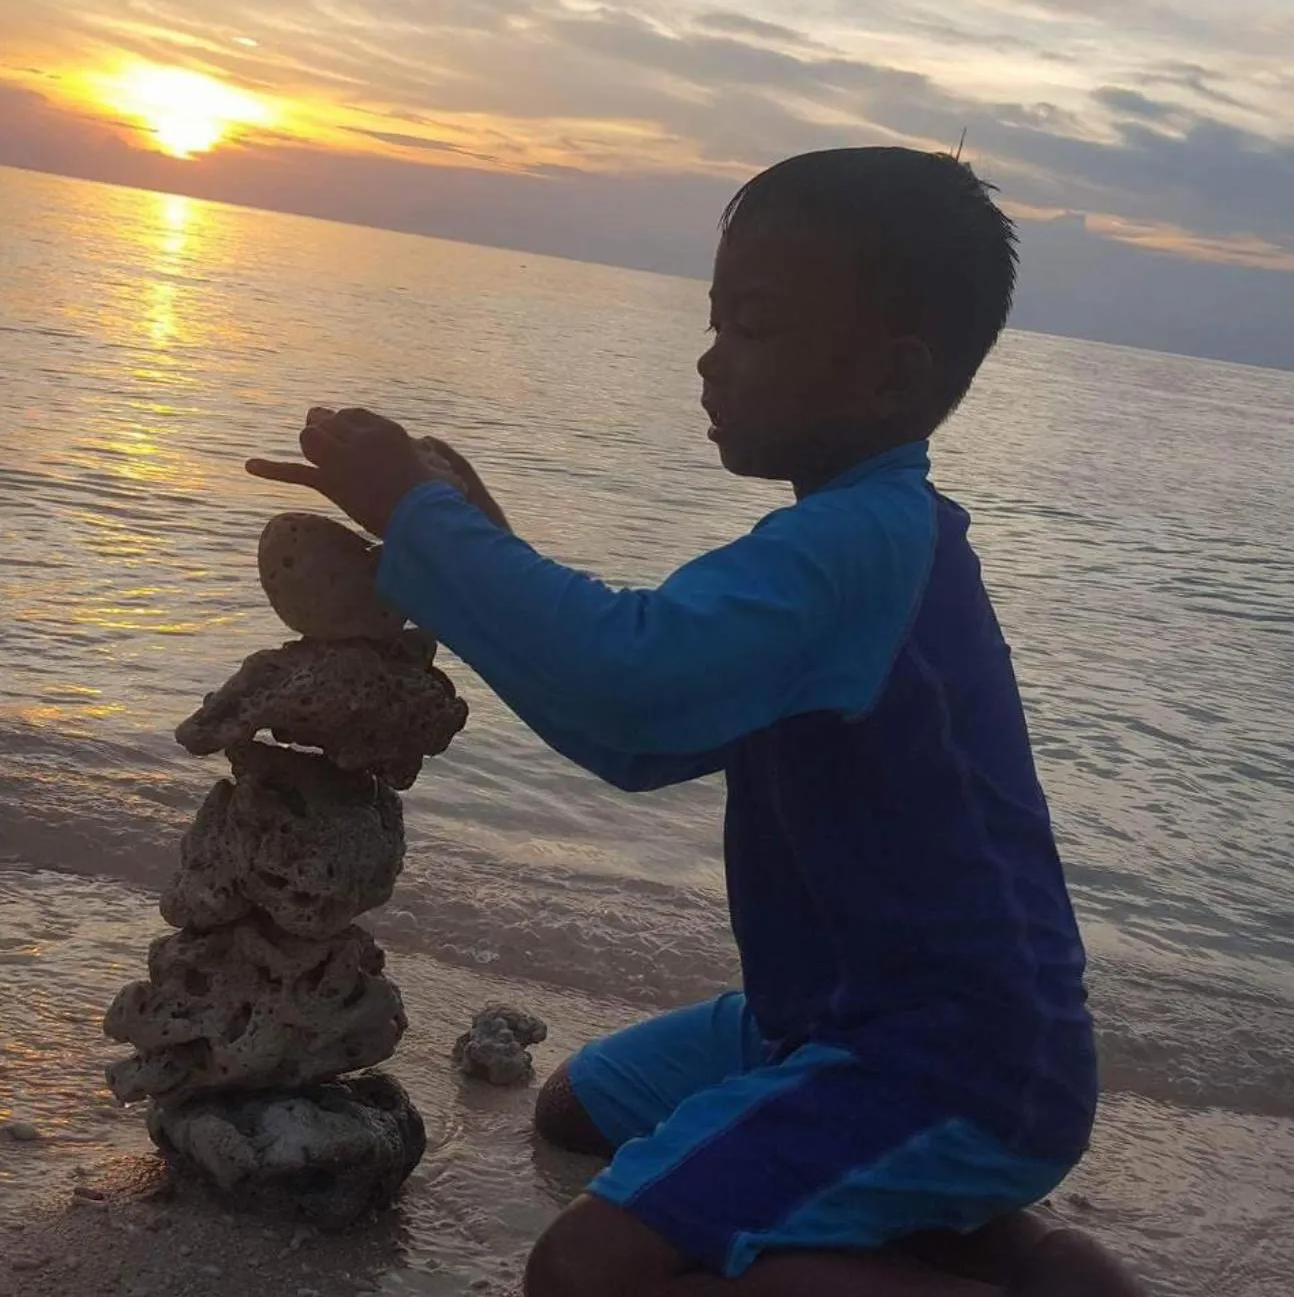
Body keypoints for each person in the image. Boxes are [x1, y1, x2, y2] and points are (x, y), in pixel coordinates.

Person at [246, 148, 1138, 1296]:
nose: (709, 360)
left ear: (890, 379)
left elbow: (632, 682)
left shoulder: (857, 547)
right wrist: (463, 539)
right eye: (715, 319)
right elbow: (642, 738)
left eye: (753, 327)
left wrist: (418, 518)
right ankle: (984, 1238)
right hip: (818, 1014)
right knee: (577, 1113)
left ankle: (1028, 1272)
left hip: (948, 1057)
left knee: (584, 1272)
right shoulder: (848, 539)